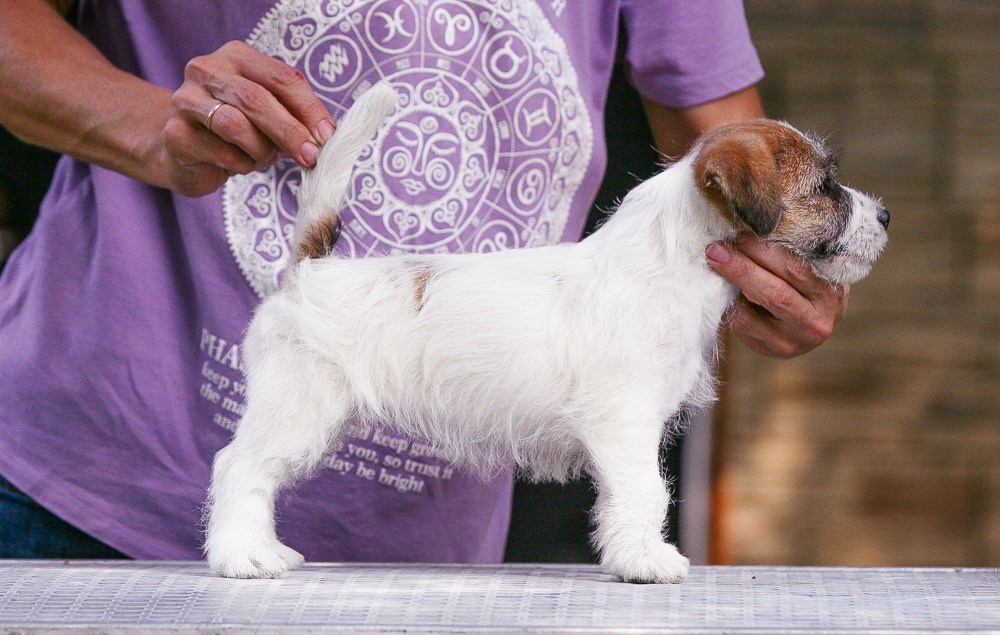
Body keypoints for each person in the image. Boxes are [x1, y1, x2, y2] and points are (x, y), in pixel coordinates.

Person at [0, 0, 849, 561]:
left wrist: (782, 264)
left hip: (436, 548)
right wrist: (151, 127)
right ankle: (241, 514)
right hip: (84, 475)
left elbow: (731, 133)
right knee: (283, 436)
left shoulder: (694, 228)